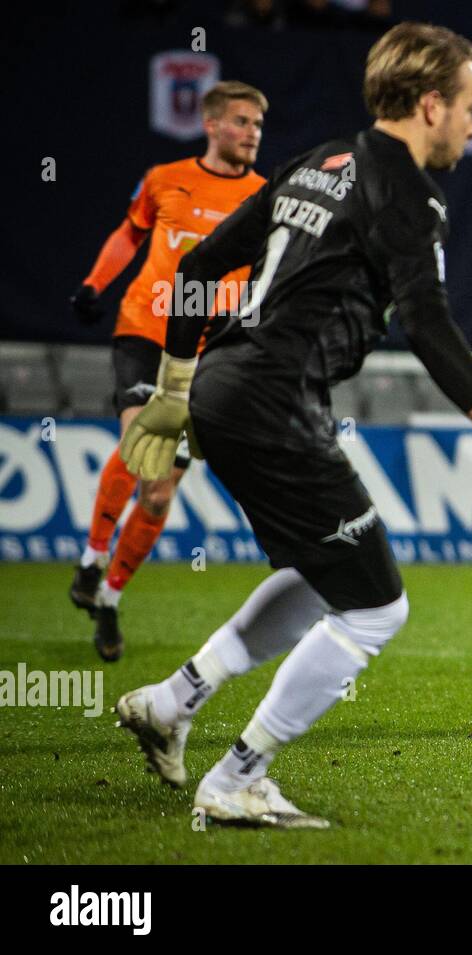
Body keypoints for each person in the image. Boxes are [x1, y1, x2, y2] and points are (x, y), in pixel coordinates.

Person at [113, 22, 472, 827]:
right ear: (429, 105)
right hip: (278, 400)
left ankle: (173, 700)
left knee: (327, 573)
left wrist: (178, 387)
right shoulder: (410, 196)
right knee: (377, 607)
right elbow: (426, 324)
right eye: (467, 106)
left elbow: (198, 265)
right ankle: (238, 776)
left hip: (224, 387)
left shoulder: (320, 160)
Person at [68, 81, 269, 662]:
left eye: (257, 123)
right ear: (210, 125)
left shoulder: (266, 196)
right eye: (240, 121)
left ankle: (107, 597)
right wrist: (94, 284)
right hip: (147, 330)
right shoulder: (164, 179)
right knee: (141, 440)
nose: (251, 132)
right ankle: (92, 556)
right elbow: (131, 232)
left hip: (208, 349)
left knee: (157, 494)